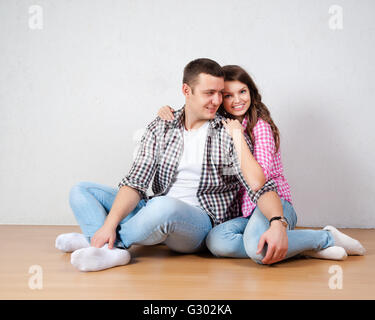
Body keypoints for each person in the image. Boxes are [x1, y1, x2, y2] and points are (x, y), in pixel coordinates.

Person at [55, 58, 288, 272]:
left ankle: (105, 245)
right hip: (154, 210)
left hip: (199, 223)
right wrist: (110, 224)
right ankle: (102, 241)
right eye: (209, 93)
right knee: (81, 191)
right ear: (186, 91)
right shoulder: (161, 126)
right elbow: (136, 182)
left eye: (220, 93)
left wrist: (277, 221)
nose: (217, 101)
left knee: (164, 207)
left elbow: (258, 186)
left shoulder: (228, 132)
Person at [157, 64, 366, 265]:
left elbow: (259, 180)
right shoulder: (222, 126)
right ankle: (303, 247)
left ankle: (324, 238)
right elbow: (194, 110)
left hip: (274, 205)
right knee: (216, 242)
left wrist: (237, 136)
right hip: (245, 213)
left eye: (242, 91)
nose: (237, 100)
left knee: (257, 250)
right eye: (228, 95)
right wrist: (170, 111)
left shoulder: (260, 127)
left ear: (252, 92)